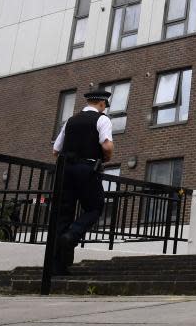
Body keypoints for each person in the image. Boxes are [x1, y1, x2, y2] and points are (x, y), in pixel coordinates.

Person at [51, 88, 115, 275]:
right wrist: (107, 157)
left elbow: (56, 150)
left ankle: (57, 267)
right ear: (102, 104)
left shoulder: (70, 121)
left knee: (63, 215)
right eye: (104, 107)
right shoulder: (102, 119)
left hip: (64, 170)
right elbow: (107, 145)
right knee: (95, 207)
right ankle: (73, 234)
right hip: (87, 169)